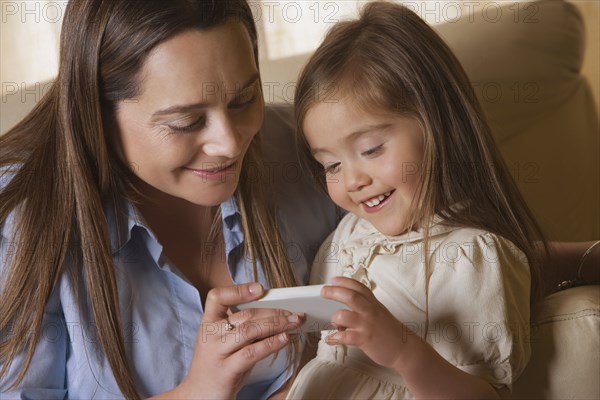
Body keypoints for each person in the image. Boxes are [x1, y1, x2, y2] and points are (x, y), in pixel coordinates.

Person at [0, 1, 340, 399]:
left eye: (244, 100)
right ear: (97, 111)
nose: (230, 144)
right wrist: (197, 392)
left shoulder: (318, 149)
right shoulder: (19, 214)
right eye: (186, 122)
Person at [286, 2, 550, 398]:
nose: (353, 180)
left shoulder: (472, 256)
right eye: (330, 165)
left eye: (372, 149)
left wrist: (403, 351)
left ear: (438, 125)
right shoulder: (347, 235)